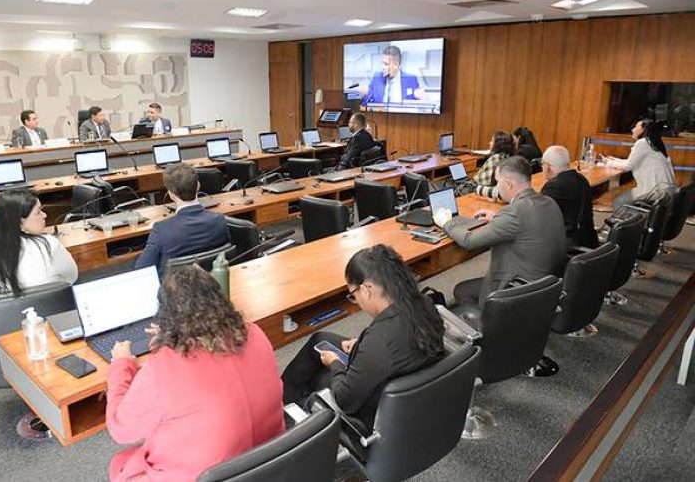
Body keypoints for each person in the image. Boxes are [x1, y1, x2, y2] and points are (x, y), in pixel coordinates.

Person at [106, 265, 284, 482]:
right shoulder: (255, 333)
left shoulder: (161, 369)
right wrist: (170, 338)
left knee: (121, 464)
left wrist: (121, 364)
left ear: (165, 316)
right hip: (269, 459)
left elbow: (121, 429)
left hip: (208, 475)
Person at [281, 244, 446, 433]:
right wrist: (361, 346)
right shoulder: (424, 303)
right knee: (320, 339)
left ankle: (287, 412)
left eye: (354, 295)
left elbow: (344, 401)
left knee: (317, 372)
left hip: (374, 412)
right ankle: (283, 401)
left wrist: (335, 364)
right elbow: (394, 346)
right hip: (408, 388)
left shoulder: (379, 341)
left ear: (366, 289)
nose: (357, 302)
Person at [434, 156, 567, 307]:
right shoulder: (548, 201)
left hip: (520, 290)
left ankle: (489, 326)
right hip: (547, 285)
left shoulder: (514, 213)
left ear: (508, 184)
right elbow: (526, 223)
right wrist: (497, 217)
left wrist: (446, 222)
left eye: (498, 182)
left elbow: (469, 241)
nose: (497, 187)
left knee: (461, 290)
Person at [0, 189, 77, 296]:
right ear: (19, 221)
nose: (45, 215)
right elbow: (71, 277)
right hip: (46, 309)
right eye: (38, 212)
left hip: (0, 313)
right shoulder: (49, 244)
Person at [133, 163, 229, 279]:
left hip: (175, 292)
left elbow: (142, 269)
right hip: (211, 285)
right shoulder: (219, 220)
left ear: (171, 195)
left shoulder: (161, 230)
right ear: (198, 186)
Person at [604, 119, 677, 208]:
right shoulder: (652, 143)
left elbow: (628, 166)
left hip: (655, 191)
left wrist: (608, 162)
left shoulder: (642, 143)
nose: (632, 130)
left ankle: (629, 221)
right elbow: (632, 162)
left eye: (636, 126)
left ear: (643, 129)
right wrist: (614, 160)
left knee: (619, 201)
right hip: (666, 190)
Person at [541, 145, 598, 248]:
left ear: (547, 167)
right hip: (589, 239)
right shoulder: (582, 179)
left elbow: (536, 216)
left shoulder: (554, 186)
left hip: (570, 245)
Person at [474, 130, 515, 200]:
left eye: (492, 141)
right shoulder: (509, 157)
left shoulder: (495, 158)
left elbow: (478, 180)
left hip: (483, 190)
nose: (489, 143)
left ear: (498, 144)